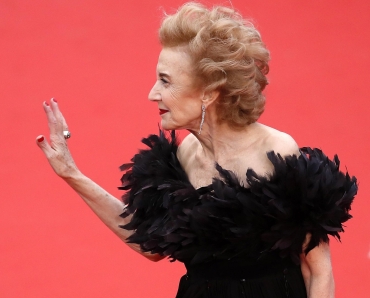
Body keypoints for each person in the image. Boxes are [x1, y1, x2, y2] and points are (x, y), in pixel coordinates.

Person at [35, 2, 357, 297]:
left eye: (165, 81)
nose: (152, 94)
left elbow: (319, 269)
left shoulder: (276, 152)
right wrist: (72, 174)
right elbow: (150, 243)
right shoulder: (183, 158)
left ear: (207, 93)